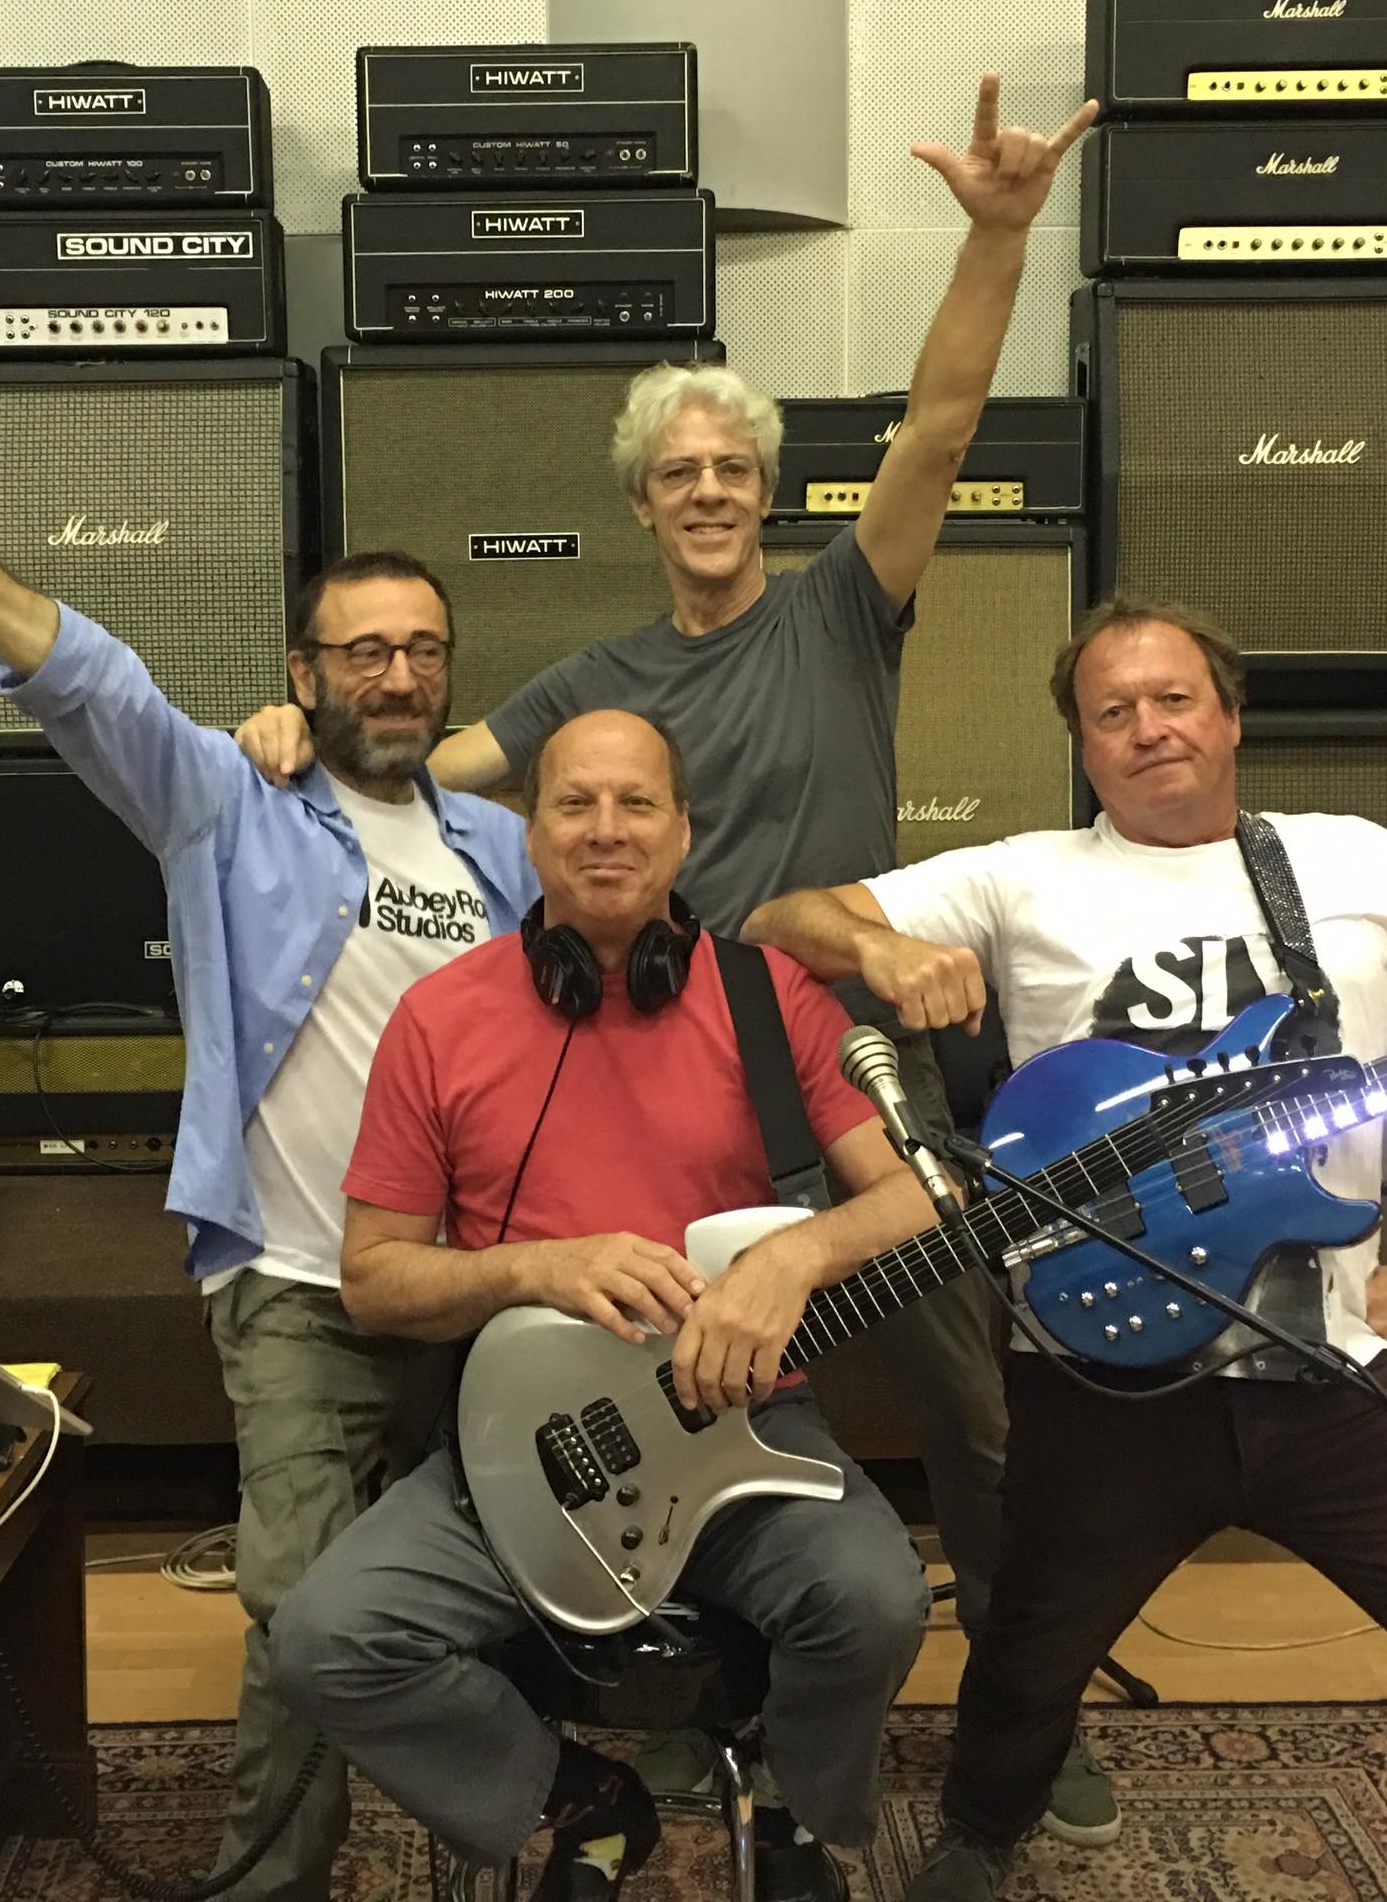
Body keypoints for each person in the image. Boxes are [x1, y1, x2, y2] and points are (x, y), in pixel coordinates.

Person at [242, 86, 1118, 1842]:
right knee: (661, 1403)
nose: (709, 490)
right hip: (662, 1071)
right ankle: (654, 1684)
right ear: (641, 502)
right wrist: (299, 731)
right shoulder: (597, 691)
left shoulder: (840, 606)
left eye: (734, 468)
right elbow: (421, 768)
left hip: (844, 1072)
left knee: (976, 1423)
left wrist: (1000, 236)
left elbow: (941, 427)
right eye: (679, 472)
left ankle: (1026, 1715)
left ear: (766, 492)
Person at [743, 593, 1387, 1902]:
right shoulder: (1024, 874)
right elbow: (781, 920)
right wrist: (880, 944)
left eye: (1173, 698)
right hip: (1097, 1379)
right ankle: (981, 1831)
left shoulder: (1359, 864)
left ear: (1229, 716)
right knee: (1025, 1666)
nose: (1147, 727)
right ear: (1083, 744)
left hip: (1336, 1374)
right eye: (1112, 711)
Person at [0, 351, 539, 1902]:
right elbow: (94, 685)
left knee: (505, 1586)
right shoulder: (225, 807)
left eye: (422, 651)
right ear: (304, 673)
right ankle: (271, 1881)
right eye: (363, 651)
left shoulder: (504, 851)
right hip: (300, 1285)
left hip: (485, 1291)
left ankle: (504, 1845)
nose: (397, 676)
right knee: (302, 1611)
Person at [269, 708, 940, 1902]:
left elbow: (918, 1198)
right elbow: (373, 1278)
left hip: (745, 1423)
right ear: (529, 834)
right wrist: (530, 1267)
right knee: (327, 1638)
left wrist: (793, 1257)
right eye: (574, 802)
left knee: (877, 1601)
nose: (606, 828)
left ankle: (790, 1797)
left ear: (683, 832)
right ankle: (575, 1798)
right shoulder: (440, 1017)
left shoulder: (770, 995)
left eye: (637, 803)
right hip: (522, 1447)